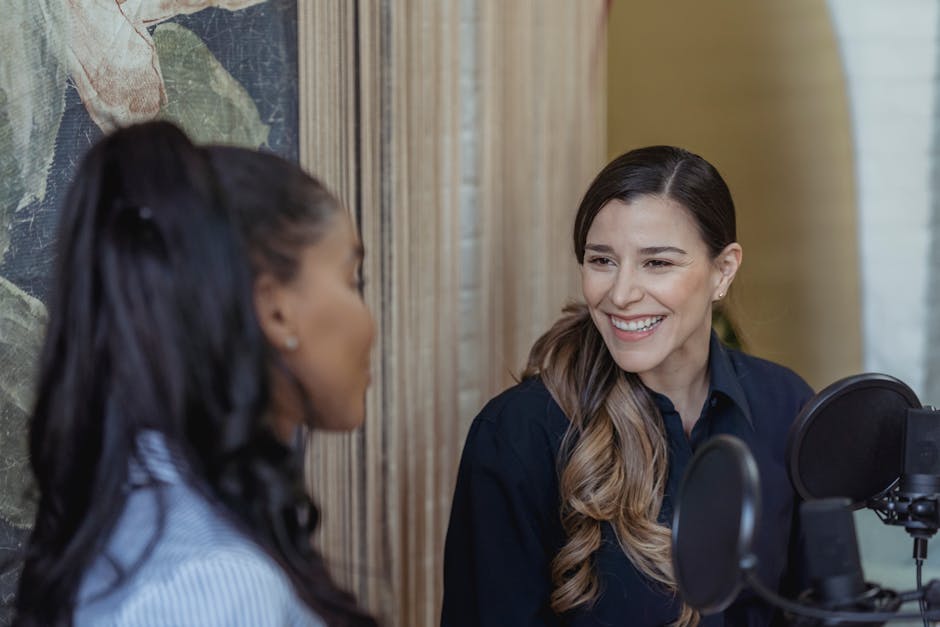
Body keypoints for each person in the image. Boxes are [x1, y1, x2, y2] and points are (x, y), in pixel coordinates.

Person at [13, 121, 377, 627]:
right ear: (275, 311)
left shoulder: (150, 513)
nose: (369, 321)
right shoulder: (213, 585)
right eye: (351, 278)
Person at [441, 146, 813, 627]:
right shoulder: (517, 434)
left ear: (723, 271)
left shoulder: (787, 407)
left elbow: (824, 607)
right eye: (602, 260)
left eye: (657, 263)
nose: (620, 294)